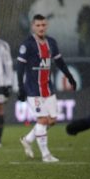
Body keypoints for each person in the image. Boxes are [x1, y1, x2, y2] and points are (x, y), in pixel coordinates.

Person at [17, 14, 77, 163]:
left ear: (47, 26)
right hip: (32, 89)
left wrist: (69, 77)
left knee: (52, 120)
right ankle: (46, 155)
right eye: (38, 25)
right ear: (33, 26)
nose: (41, 28)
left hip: (47, 88)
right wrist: (20, 87)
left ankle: (27, 139)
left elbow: (60, 62)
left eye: (43, 25)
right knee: (43, 119)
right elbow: (20, 67)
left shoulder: (51, 42)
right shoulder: (28, 44)